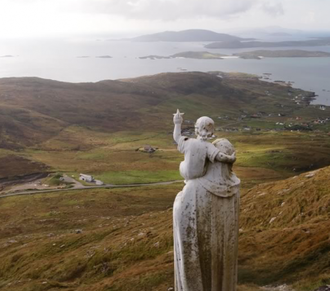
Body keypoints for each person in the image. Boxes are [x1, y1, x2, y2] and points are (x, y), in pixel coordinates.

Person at [173, 109, 240, 291]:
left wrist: (177, 122)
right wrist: (230, 158)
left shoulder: (195, 187)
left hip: (200, 256)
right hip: (222, 259)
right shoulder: (234, 188)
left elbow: (183, 220)